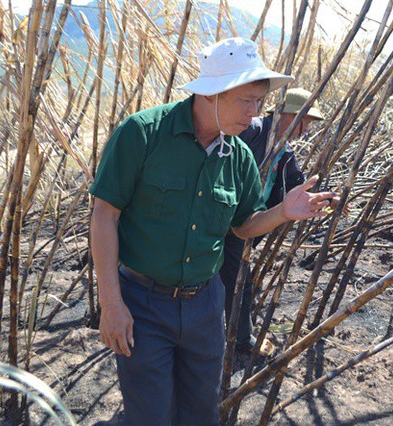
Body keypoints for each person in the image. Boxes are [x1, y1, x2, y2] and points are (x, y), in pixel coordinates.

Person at [89, 37, 334, 426]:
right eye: (246, 100)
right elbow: (105, 214)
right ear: (211, 93)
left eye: (259, 102)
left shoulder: (237, 156)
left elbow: (244, 225)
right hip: (142, 304)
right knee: (151, 416)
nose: (255, 113)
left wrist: (284, 212)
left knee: (201, 414)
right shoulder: (143, 134)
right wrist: (111, 303)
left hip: (205, 306)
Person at [220, 88, 329, 356]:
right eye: (304, 121)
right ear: (286, 115)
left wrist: (328, 199)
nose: (306, 129)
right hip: (227, 221)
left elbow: (296, 183)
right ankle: (242, 340)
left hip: (252, 222)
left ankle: (238, 334)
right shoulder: (252, 131)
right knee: (237, 280)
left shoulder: (285, 152)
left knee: (236, 279)